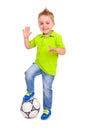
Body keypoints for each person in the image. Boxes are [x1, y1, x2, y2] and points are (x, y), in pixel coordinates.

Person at [22, 8, 66, 120]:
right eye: (41, 23)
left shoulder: (57, 37)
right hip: (38, 64)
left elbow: (64, 51)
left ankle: (47, 109)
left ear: (53, 24)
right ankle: (30, 91)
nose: (44, 25)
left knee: (47, 89)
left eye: (47, 23)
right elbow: (28, 47)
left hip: (49, 69)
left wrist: (56, 49)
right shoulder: (38, 37)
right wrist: (26, 38)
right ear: (38, 24)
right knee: (28, 73)